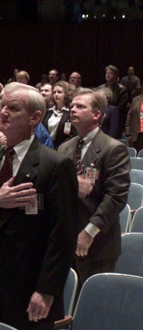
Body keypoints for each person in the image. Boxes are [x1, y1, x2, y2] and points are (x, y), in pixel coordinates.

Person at [0, 83, 77, 329]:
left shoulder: (55, 165)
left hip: (31, 287)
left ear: (35, 118)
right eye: (2, 106)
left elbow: (63, 236)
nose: (4, 113)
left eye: (13, 108)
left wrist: (46, 290)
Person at [58, 89, 131, 291]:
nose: (73, 109)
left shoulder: (113, 149)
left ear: (97, 114)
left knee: (90, 306)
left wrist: (89, 233)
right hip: (66, 239)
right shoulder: (65, 148)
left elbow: (116, 197)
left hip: (97, 243)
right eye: (72, 105)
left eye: (80, 106)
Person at [0, 82, 54, 149]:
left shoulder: (41, 134)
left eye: (13, 108)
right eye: (3, 105)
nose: (2, 112)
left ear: (34, 118)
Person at [97, 65, 131, 138]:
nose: (108, 75)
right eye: (107, 73)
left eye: (111, 73)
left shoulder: (122, 89)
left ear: (116, 76)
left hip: (116, 118)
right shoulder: (100, 88)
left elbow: (121, 106)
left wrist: (109, 113)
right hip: (101, 117)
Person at [44, 81, 75, 147]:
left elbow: (72, 135)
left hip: (62, 148)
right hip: (45, 146)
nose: (56, 94)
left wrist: (60, 148)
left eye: (59, 92)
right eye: (54, 92)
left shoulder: (71, 111)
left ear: (67, 94)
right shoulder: (48, 110)